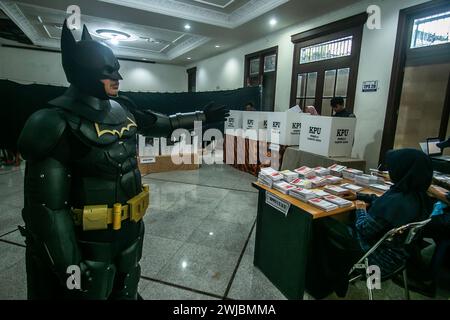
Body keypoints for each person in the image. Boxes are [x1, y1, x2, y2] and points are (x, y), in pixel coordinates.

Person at [17, 21, 229, 300]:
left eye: (116, 69)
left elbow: (161, 123)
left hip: (130, 231)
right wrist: (69, 266)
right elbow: (47, 211)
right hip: (86, 242)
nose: (118, 77)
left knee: (126, 289)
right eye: (108, 71)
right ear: (83, 72)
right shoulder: (53, 122)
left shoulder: (122, 108)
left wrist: (202, 117)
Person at [306, 148, 433, 299]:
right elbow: (382, 201)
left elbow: (364, 228)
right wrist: (359, 196)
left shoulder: (397, 203)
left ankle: (325, 280)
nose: (389, 172)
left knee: (320, 222)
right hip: (399, 256)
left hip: (374, 256)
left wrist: (360, 209)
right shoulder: (417, 196)